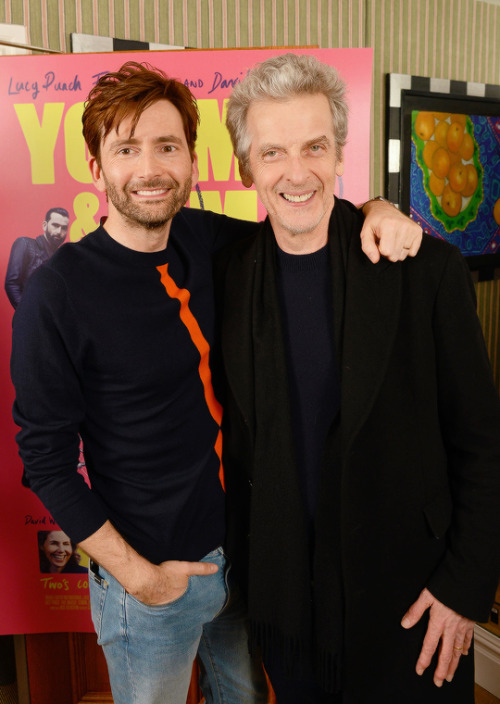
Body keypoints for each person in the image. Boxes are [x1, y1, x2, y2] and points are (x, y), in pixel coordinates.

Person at [11, 61, 422, 704]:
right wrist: (140, 579)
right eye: (126, 149)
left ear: (192, 162)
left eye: (167, 146)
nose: (150, 168)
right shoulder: (57, 293)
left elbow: (301, 219)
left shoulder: (204, 239)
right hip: (150, 587)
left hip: (238, 565)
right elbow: (45, 458)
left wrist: (378, 207)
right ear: (97, 169)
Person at [218, 53, 500, 704]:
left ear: (340, 151)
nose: (296, 172)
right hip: (288, 604)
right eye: (273, 152)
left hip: (415, 601)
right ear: (246, 168)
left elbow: (483, 445)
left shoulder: (424, 269)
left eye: (315, 146)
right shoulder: (229, 272)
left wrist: (464, 590)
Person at [5, 207, 70, 308]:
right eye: (55, 225)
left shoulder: (62, 257)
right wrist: (27, 314)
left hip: (51, 320)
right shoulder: (25, 244)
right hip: (31, 319)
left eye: (64, 228)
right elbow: (12, 283)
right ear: (45, 225)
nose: (59, 231)